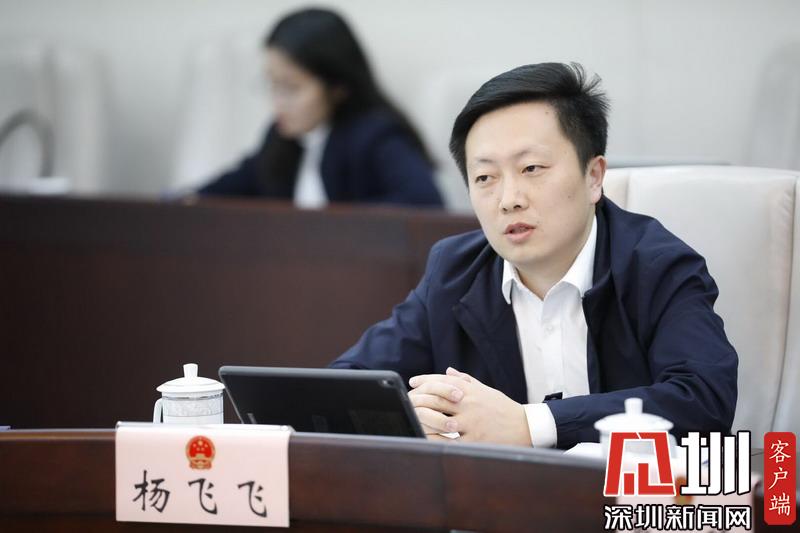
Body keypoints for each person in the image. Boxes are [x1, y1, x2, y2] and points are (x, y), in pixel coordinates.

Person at [330, 62, 738, 449]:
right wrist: (411, 416)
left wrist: (531, 424)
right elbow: (343, 386)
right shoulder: (454, 273)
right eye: (485, 177)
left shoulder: (656, 266)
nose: (509, 199)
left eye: (531, 169)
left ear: (593, 176)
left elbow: (703, 401)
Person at [198, 8, 443, 208]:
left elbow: (425, 203)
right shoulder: (281, 137)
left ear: (337, 87)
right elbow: (219, 193)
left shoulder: (376, 136)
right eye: (272, 84)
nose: (276, 102)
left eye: (290, 88)